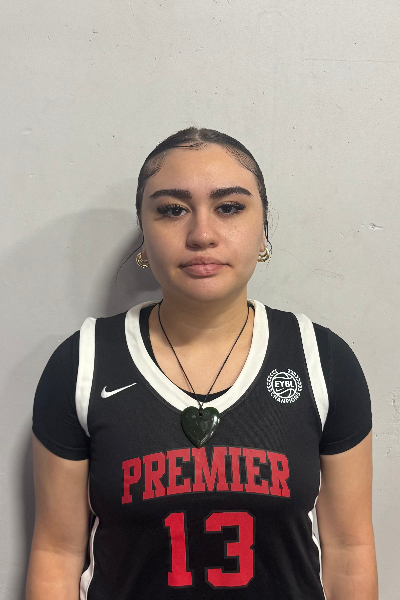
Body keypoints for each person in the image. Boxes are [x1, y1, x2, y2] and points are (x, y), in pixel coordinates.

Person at [26, 128, 378, 600]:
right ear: (144, 237)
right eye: (173, 210)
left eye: (229, 207)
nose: (202, 235)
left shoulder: (322, 360)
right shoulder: (83, 363)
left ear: (263, 230)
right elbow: (56, 553)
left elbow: (350, 550)